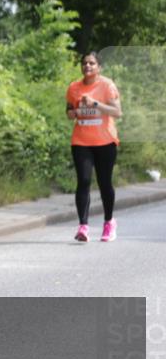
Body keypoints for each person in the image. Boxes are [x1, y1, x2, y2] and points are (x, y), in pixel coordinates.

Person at [65, 51, 122, 242]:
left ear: (99, 67)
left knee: (104, 182)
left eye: (91, 63)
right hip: (81, 141)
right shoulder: (74, 87)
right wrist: (73, 113)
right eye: (84, 63)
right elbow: (69, 111)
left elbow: (117, 112)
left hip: (105, 141)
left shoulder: (107, 86)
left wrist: (95, 103)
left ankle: (109, 223)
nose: (87, 66)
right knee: (84, 180)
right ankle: (83, 226)